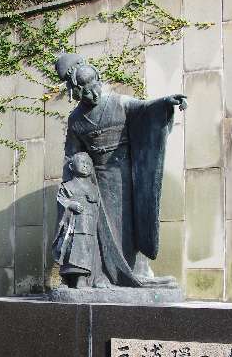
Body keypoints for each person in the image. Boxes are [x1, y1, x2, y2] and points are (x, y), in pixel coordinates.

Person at [55, 53, 187, 287]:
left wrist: (166, 103)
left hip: (125, 174)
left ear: (99, 80)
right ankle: (101, 276)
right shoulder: (76, 119)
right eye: (85, 92)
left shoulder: (118, 102)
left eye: (95, 87)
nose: (93, 94)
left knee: (126, 224)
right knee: (99, 228)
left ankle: (133, 272)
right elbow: (72, 155)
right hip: (96, 180)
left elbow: (145, 109)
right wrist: (73, 188)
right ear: (76, 92)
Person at [52, 152, 105, 289]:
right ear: (71, 166)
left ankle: (82, 278)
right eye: (82, 162)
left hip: (89, 228)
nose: (85, 165)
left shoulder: (94, 188)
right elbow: (61, 200)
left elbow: (99, 207)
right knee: (69, 249)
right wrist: (70, 205)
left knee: (86, 249)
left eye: (88, 163)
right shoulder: (67, 186)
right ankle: (66, 279)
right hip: (72, 226)